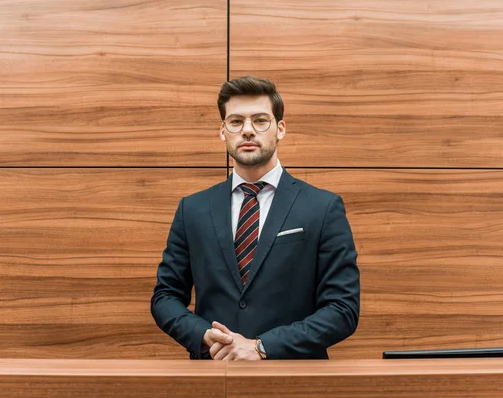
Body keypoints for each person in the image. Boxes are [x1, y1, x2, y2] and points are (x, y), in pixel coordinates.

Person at [151, 76, 360, 360]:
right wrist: (202, 334)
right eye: (236, 122)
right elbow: (165, 296)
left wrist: (261, 346)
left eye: (260, 120)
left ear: (280, 129)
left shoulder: (322, 207)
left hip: (296, 379)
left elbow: (343, 308)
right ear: (223, 132)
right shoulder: (193, 209)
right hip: (212, 375)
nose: (247, 130)